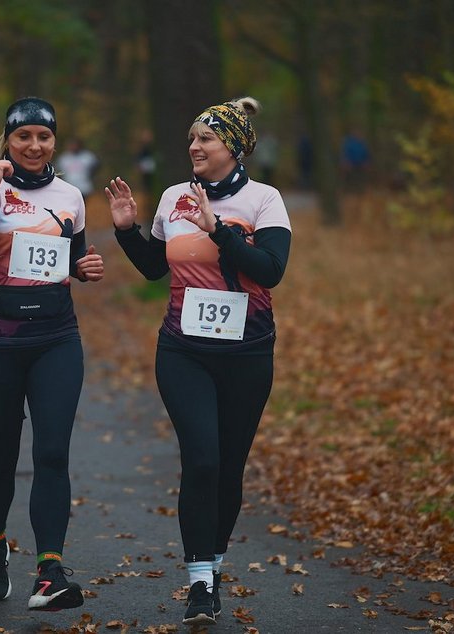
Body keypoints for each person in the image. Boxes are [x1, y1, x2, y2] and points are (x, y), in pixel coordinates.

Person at [105, 97, 291, 626]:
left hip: (248, 354)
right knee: (203, 459)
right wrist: (125, 231)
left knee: (229, 467)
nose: (194, 147)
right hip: (183, 351)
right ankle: (200, 583)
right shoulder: (171, 197)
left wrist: (219, 231)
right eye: (191, 140)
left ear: (232, 147)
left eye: (204, 139)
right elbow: (152, 271)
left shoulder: (264, 200)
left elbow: (270, 270)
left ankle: (213, 560)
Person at [0, 97, 104, 612]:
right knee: (0, 456)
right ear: (8, 141)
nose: (34, 146)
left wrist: (84, 269)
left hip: (55, 338)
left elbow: (71, 256)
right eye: (24, 138)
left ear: (54, 141)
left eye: (43, 137)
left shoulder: (70, 195)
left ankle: (50, 571)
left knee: (53, 452)